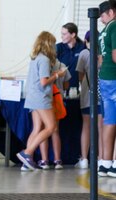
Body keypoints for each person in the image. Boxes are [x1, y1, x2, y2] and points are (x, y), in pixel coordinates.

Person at [17, 31, 66, 171]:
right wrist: (57, 75)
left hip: (32, 96)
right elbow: (44, 82)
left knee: (37, 128)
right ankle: (27, 153)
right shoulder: (44, 59)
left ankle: (26, 162)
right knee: (51, 127)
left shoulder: (35, 58)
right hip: (41, 97)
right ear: (48, 44)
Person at [76, 30, 104, 169]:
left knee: (86, 127)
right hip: (102, 97)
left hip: (87, 97)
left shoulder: (83, 54)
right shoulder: (103, 55)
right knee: (101, 128)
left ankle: (84, 159)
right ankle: (101, 159)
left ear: (86, 41)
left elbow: (80, 77)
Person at [37, 60, 71, 170]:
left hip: (44, 99)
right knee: (55, 130)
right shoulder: (62, 65)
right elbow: (66, 85)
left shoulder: (41, 63)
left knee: (44, 129)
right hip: (57, 99)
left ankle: (44, 160)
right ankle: (57, 160)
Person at [99, 0, 116, 178]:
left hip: (105, 79)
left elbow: (100, 60)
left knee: (109, 120)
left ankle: (105, 163)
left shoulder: (102, 32)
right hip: (114, 77)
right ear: (112, 12)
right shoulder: (115, 26)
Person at [56, 22, 86, 90]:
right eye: (61, 34)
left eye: (64, 34)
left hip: (76, 88)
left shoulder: (82, 48)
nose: (61, 36)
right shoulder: (58, 48)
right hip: (61, 87)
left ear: (73, 35)